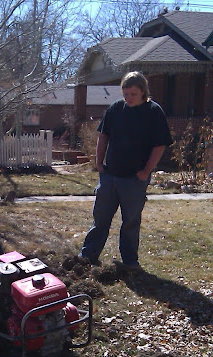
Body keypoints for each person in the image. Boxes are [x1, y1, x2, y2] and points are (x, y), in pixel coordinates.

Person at [79, 71, 172, 268]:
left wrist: (146, 172)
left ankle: (130, 262)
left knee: (130, 222)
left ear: (143, 92)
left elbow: (159, 145)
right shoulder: (115, 109)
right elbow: (103, 136)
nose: (128, 98)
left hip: (134, 180)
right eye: (125, 94)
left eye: (133, 94)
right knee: (100, 219)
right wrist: (98, 162)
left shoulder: (154, 112)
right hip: (110, 175)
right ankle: (87, 256)